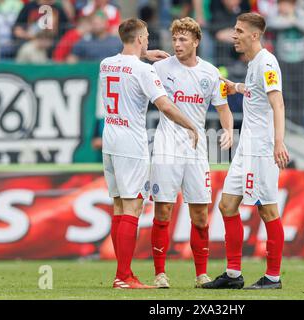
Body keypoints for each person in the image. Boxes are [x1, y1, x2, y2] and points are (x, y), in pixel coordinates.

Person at [100, 18, 198, 289]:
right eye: (146, 38)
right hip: (131, 143)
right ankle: (124, 276)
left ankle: (122, 274)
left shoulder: (106, 63)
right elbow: (165, 105)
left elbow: (128, 60)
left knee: (119, 206)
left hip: (110, 140)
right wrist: (190, 124)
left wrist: (143, 54)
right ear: (142, 38)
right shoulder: (144, 71)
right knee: (132, 207)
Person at [202, 12, 289, 290]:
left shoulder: (266, 62)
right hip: (246, 149)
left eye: (239, 31)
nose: (234, 35)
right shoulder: (253, 64)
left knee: (267, 210)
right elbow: (254, 92)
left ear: (254, 35)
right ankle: (233, 274)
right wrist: (234, 87)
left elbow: (278, 104)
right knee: (227, 205)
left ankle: (273, 278)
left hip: (262, 149)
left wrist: (278, 142)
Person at [150, 17, 234, 289]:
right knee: (163, 210)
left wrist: (228, 130)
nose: (177, 44)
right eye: (175, 39)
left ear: (196, 41)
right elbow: (126, 61)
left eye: (183, 39)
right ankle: (160, 274)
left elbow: (223, 108)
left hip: (197, 150)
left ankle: (201, 274)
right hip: (166, 147)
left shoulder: (210, 73)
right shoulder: (160, 68)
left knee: (199, 214)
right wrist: (143, 53)